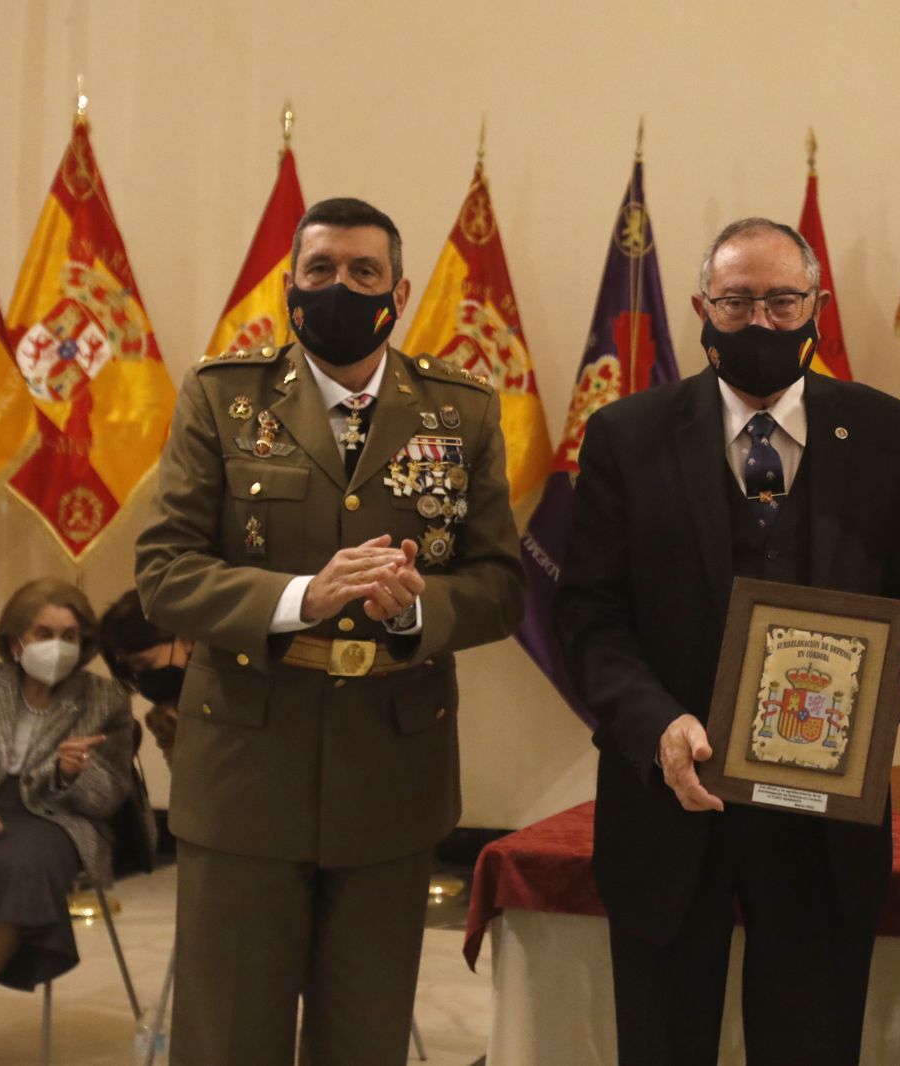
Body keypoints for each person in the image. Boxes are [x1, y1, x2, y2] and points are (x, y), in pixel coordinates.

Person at [135, 197, 524, 1066]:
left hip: (392, 770)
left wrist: (420, 608)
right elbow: (163, 572)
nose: (339, 287)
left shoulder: (460, 412)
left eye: (362, 273)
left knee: (364, 1037)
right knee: (229, 1036)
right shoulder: (221, 399)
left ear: (401, 290)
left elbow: (501, 587)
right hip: (245, 765)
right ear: (289, 286)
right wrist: (299, 599)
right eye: (320, 271)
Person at [556, 217, 900, 1066]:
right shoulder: (626, 435)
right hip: (670, 803)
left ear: (817, 305)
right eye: (737, 303)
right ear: (702, 307)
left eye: (782, 301)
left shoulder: (883, 431)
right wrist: (657, 725)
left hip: (823, 821)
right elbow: (589, 617)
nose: (761, 322)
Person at [0, 578, 133, 1066]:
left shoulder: (105, 699)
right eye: (43, 632)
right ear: (15, 641)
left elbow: (111, 795)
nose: (56, 646)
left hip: (55, 816)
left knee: (17, 869)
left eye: (69, 636)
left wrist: (69, 773)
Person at [99, 589, 190, 762]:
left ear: (184, 639)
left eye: (146, 664)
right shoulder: (164, 721)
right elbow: (190, 783)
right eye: (133, 670)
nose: (142, 678)